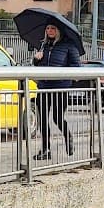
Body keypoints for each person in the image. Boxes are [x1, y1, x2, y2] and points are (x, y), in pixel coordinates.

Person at [31, 22, 82, 160]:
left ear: (59, 30)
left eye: (53, 28)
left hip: (60, 87)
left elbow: (76, 66)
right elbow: (37, 65)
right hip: (43, 87)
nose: (49, 30)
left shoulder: (69, 45)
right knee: (42, 119)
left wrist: (65, 76)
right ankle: (45, 149)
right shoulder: (44, 45)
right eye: (47, 28)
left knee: (57, 118)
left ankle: (68, 136)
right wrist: (36, 60)